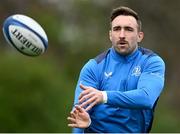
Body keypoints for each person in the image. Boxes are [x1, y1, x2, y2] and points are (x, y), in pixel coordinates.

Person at [67, 6, 165, 133]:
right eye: (117, 29)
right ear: (110, 35)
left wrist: (104, 96)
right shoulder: (93, 67)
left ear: (140, 36)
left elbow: (146, 98)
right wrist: (85, 122)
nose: (122, 35)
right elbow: (78, 117)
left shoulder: (151, 62)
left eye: (128, 29)